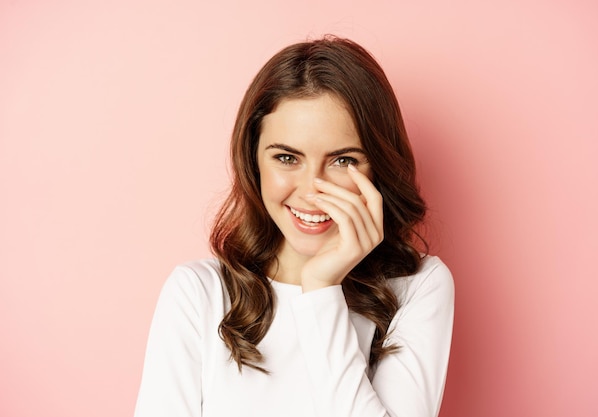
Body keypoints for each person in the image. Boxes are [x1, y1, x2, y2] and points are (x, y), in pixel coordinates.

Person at [134, 35, 454, 417]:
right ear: (254, 160)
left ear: (377, 167)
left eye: (343, 161)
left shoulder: (419, 286)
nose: (311, 192)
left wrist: (321, 288)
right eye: (287, 157)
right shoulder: (197, 294)